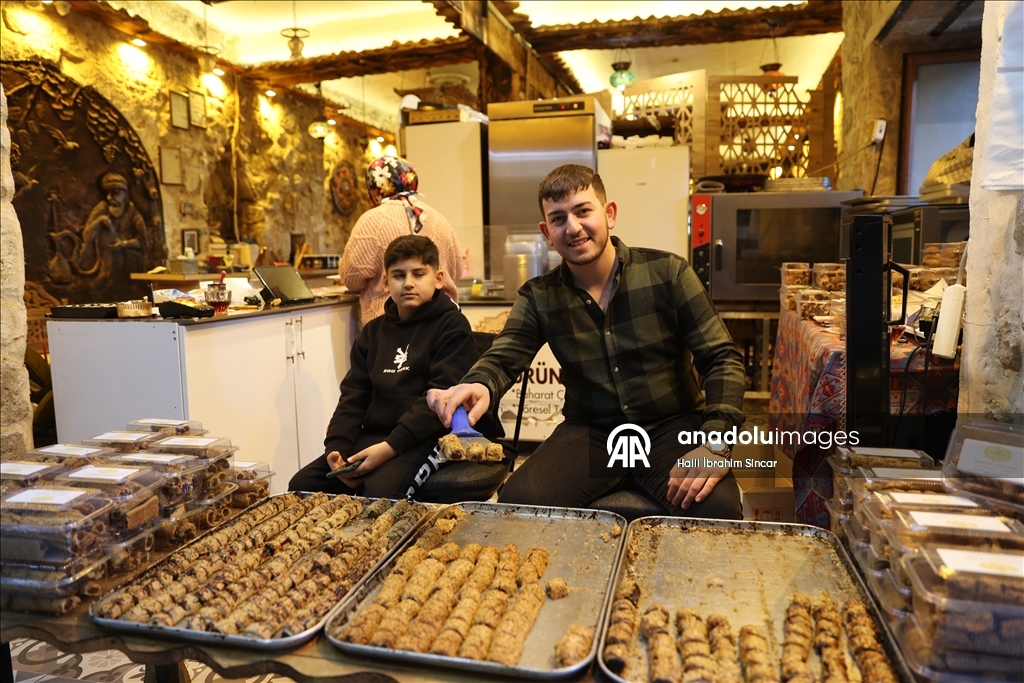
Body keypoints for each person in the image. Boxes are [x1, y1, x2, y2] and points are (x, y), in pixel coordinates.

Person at [427, 164, 747, 518]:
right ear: (547, 232)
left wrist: (716, 443)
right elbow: (503, 356)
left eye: (583, 211)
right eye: (559, 218)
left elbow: (722, 359)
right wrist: (480, 384)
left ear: (609, 214)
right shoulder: (540, 296)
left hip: (670, 426)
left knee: (718, 510)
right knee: (519, 505)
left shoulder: (668, 273)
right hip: (591, 434)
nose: (573, 227)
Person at [289, 234, 490, 498]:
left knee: (379, 496)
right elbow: (353, 397)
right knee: (301, 486)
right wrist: (335, 450)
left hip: (426, 438)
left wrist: (388, 448)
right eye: (398, 275)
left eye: (419, 274)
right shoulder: (372, 333)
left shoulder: (453, 327)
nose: (408, 283)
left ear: (439, 279)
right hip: (372, 436)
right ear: (385, 281)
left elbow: (440, 403)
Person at [340, 156, 463, 325]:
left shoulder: (371, 220)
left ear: (373, 188)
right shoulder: (438, 218)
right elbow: (457, 271)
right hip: (443, 323)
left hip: (390, 328)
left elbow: (351, 278)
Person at [79, 172, 150, 280]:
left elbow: (142, 241)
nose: (109, 197)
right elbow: (86, 236)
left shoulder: (132, 212)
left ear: (125, 194)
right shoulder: (101, 208)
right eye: (107, 193)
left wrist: (123, 244)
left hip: (127, 264)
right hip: (102, 261)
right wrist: (99, 220)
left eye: (115, 193)